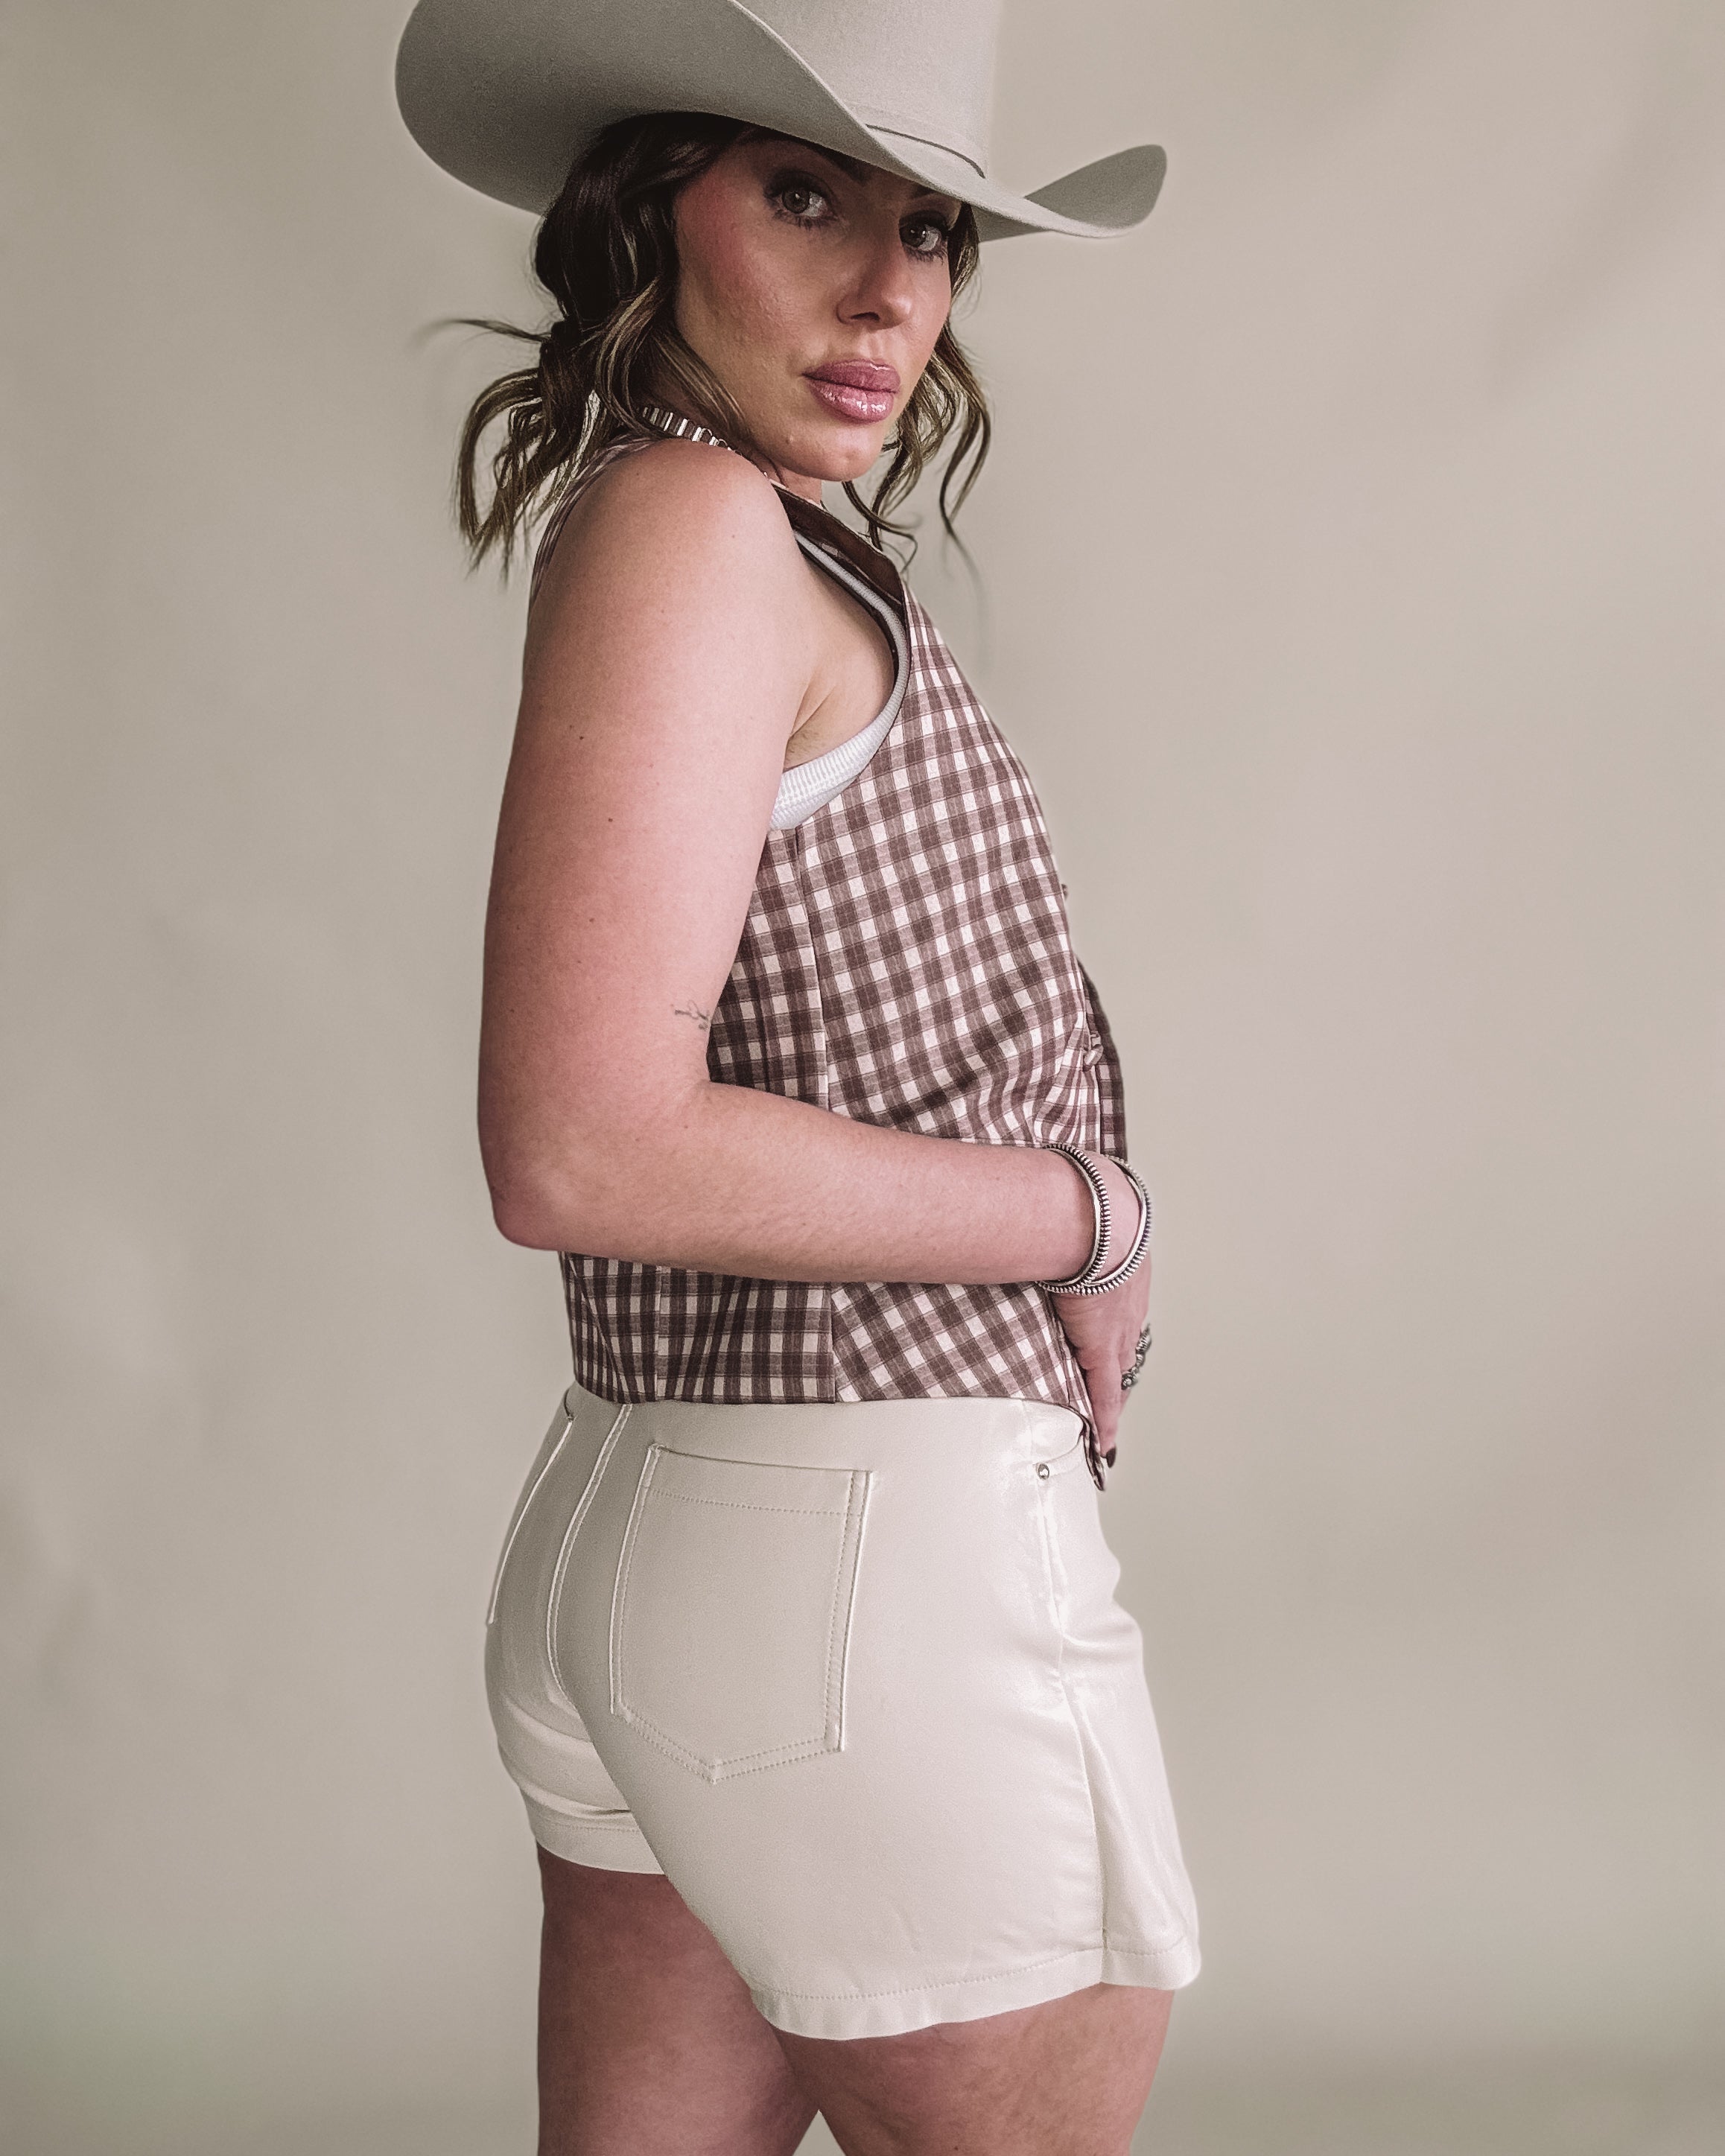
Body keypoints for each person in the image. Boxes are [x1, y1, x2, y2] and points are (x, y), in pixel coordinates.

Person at [396, 2, 1200, 2149]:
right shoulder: (693, 529)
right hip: (865, 1557)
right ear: (645, 209)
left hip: (666, 1529)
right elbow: (581, 1141)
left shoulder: (716, 528)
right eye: (806, 196)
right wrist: (1087, 1220)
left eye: (932, 230)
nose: (886, 295)